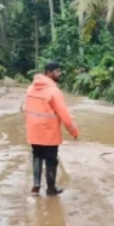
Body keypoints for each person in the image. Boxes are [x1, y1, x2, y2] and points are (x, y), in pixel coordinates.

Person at [24, 62, 79, 196]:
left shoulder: (30, 88)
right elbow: (64, 114)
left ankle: (36, 186)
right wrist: (74, 131)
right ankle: (51, 189)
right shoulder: (54, 91)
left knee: (37, 156)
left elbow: (26, 109)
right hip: (49, 133)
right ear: (49, 73)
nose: (60, 74)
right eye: (58, 71)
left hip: (34, 131)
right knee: (51, 159)